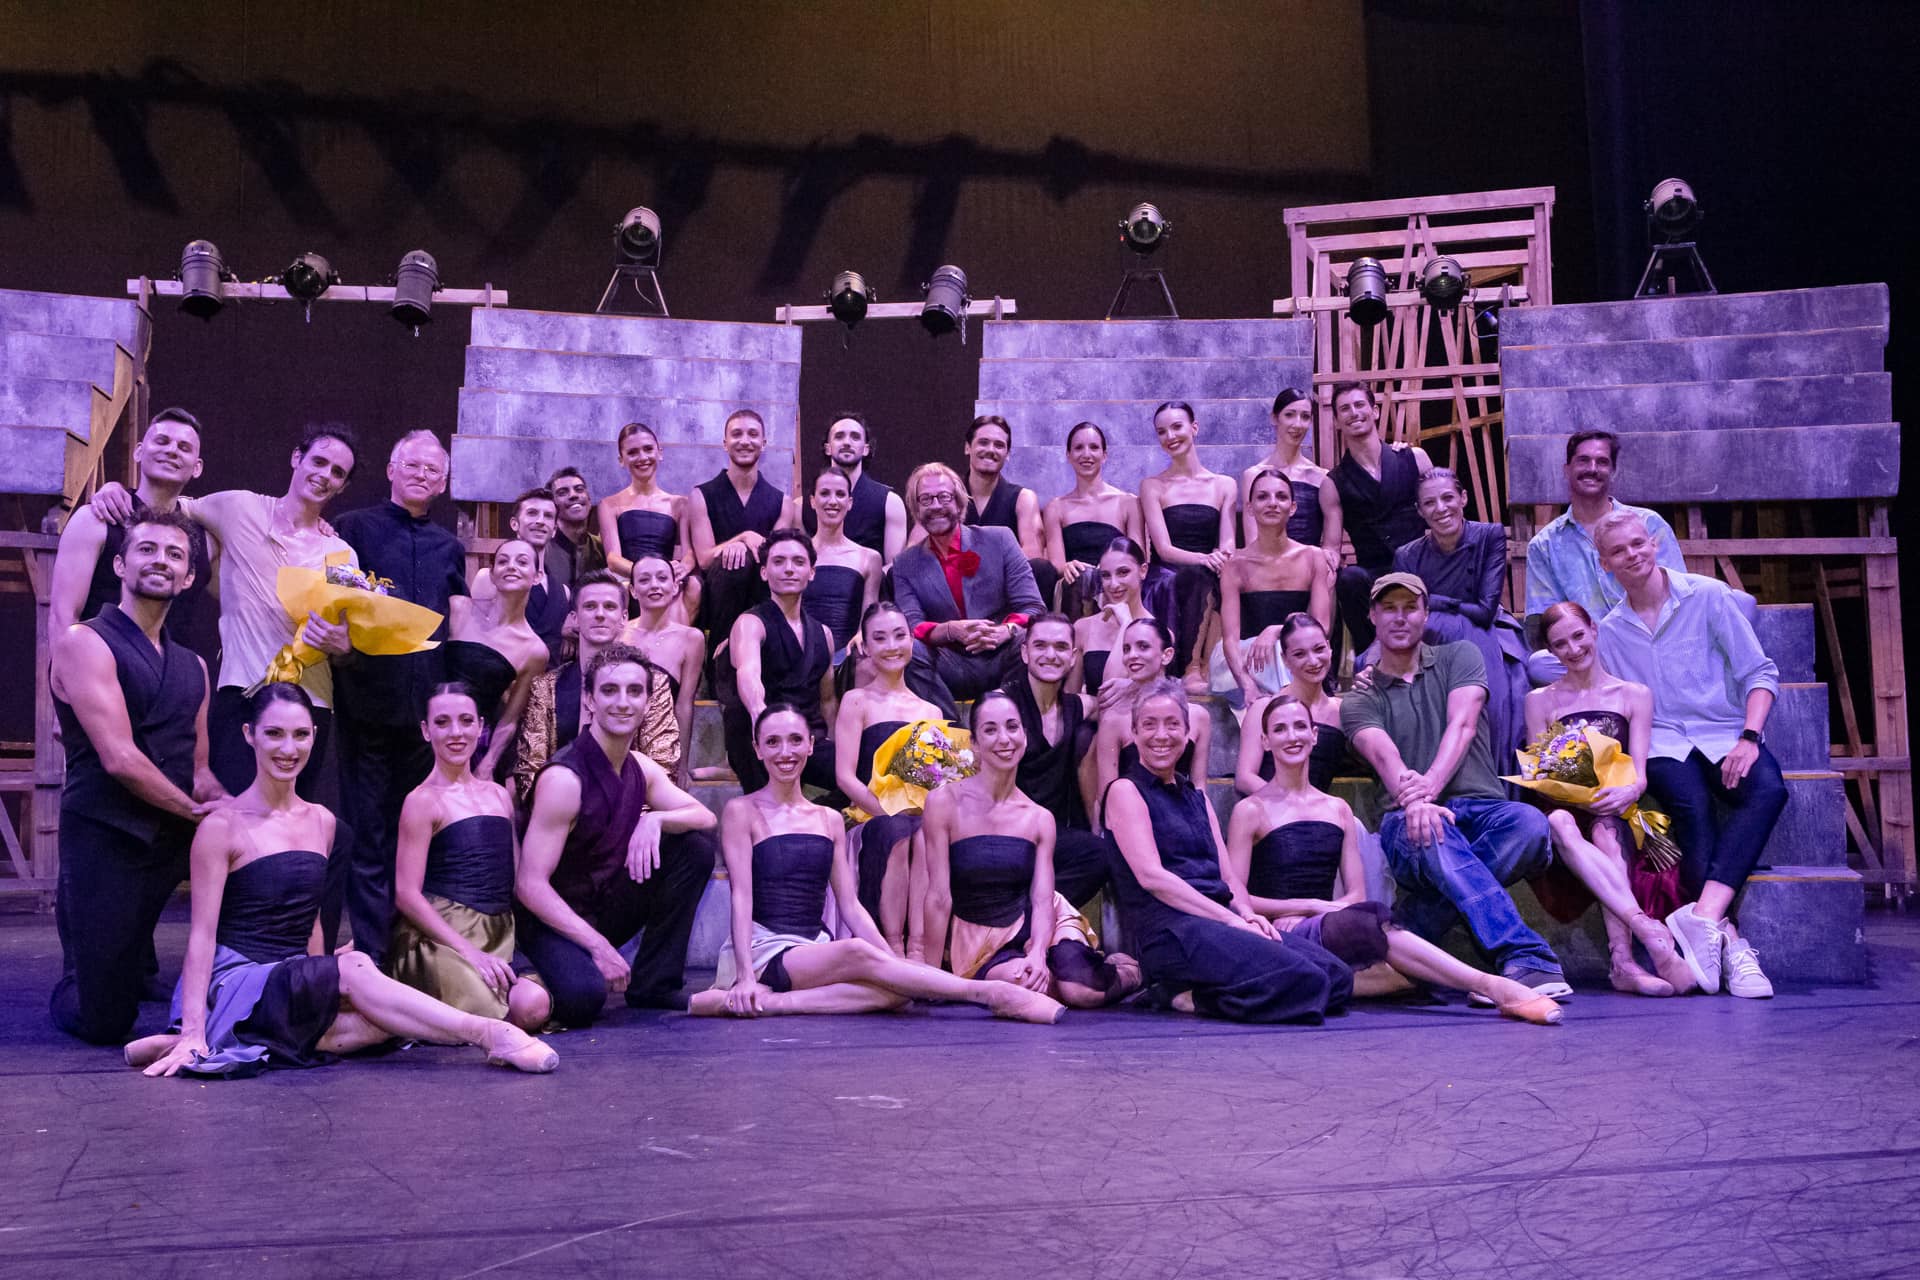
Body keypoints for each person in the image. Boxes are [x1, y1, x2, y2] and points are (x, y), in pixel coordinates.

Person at [125, 684, 558, 1077]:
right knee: (357, 967)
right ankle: (490, 1035)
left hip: (289, 975)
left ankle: (234, 1036)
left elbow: (310, 919)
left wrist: (323, 975)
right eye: (274, 734)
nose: (288, 748)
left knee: (379, 1024)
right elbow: (201, 938)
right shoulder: (221, 827)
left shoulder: (323, 822)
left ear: (314, 735)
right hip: (237, 980)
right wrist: (192, 1031)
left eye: (300, 735)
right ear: (248, 735)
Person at [691, 705, 1064, 1023]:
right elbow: (741, 898)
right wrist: (743, 975)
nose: (784, 752)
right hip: (764, 949)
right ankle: (988, 995)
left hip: (813, 949)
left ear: (809, 746)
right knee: (859, 954)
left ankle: (771, 1004)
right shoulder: (743, 812)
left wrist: (893, 965)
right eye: (772, 742)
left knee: (897, 992)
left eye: (794, 740)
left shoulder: (829, 819)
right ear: (756, 749)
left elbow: (851, 906)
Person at [1224, 696, 1561, 1024]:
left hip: (1326, 926)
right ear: (1265, 741)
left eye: (1300, 726)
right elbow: (1238, 898)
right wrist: (1306, 906)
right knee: (1374, 931)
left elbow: (1355, 896)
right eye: (1280, 729)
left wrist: (1315, 909)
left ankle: (1320, 980)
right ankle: (1494, 985)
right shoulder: (1250, 810)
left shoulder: (1337, 809)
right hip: (1279, 930)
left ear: (1314, 735)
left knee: (1410, 969)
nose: (1292, 736)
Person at [88, 423, 360, 799]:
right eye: (319, 461)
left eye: (337, 472)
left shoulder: (343, 555)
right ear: (297, 458)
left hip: (309, 702)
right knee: (231, 814)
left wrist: (342, 644)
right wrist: (113, 489)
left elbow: (349, 640)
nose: (324, 475)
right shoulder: (239, 507)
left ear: (343, 486)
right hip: (241, 692)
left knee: (293, 820)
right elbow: (162, 504)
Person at [1342, 572, 1570, 999]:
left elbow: (1462, 726)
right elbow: (1384, 756)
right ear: (1372, 616)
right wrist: (1417, 802)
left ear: (1426, 614)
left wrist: (1426, 788)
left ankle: (1411, 931)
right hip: (1404, 821)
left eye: (1410, 607)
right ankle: (1526, 957)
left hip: (1482, 810)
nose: (1400, 617)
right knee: (1432, 829)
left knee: (1530, 825)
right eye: (1388, 608)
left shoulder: (1460, 656)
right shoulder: (1360, 697)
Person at [49, 510, 223, 1044]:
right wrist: (197, 815)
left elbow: (200, 771)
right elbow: (119, 758)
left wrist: (241, 810)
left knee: (306, 843)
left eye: (175, 555)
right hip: (109, 836)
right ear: (121, 563)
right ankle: (78, 973)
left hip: (170, 836)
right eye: (147, 550)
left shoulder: (192, 665)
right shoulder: (85, 641)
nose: (161, 562)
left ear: (189, 577)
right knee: (106, 1021)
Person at [1596, 510, 1784, 999]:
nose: (1632, 555)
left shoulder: (1709, 596)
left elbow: (1759, 674)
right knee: (1693, 810)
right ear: (1605, 565)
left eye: (1639, 544)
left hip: (1724, 730)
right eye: (1619, 551)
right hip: (1661, 742)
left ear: (1655, 543)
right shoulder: (1611, 630)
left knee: (1768, 789)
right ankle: (1733, 943)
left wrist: (1749, 737)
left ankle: (1703, 917)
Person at [1103, 679, 1354, 1023]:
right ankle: (1183, 997)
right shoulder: (1125, 791)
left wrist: (1247, 913)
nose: (1162, 734)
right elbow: (1153, 878)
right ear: (1134, 733)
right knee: (1307, 982)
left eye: (1172, 724)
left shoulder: (1196, 796)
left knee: (1337, 977)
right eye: (1150, 724)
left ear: (1187, 732)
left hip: (1221, 920)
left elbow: (1227, 875)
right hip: (1173, 931)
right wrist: (1230, 919)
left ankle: (1198, 989)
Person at [515, 644, 719, 1023]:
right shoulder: (563, 779)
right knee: (583, 998)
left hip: (604, 905)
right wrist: (599, 947)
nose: (622, 702)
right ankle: (527, 975)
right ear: (590, 700)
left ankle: (654, 985)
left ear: (647, 702)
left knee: (694, 847)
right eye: (609, 691)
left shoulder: (640, 766)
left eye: (634, 691)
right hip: (551, 919)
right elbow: (529, 886)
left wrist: (655, 820)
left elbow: (705, 816)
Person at [333, 430, 469, 967]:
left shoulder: (449, 546)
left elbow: (456, 622)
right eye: (412, 465)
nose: (422, 475)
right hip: (366, 705)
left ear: (444, 482)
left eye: (433, 470)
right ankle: (372, 957)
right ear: (391, 468)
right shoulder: (351, 529)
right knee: (368, 838)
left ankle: (415, 957)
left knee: (419, 842)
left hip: (427, 720)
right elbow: (334, 599)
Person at [920, 691, 1141, 1008]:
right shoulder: (943, 803)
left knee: (1082, 992)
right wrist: (930, 977)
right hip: (981, 936)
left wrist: (1038, 952)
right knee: (1026, 983)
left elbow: (1041, 899)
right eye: (991, 730)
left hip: (1041, 925)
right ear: (974, 743)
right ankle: (1067, 974)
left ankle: (1128, 973)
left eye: (1012, 727)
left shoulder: (1039, 818)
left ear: (1024, 735)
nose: (1004, 739)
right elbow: (939, 898)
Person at [1523, 602, 1696, 996]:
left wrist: (1625, 792)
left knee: (1605, 830)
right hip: (1563, 804)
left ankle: (1623, 961)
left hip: (1616, 805)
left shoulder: (1634, 694)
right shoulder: (1540, 700)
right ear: (1552, 651)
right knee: (1558, 822)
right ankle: (1646, 932)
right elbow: (1539, 775)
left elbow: (1638, 772)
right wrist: (1579, 798)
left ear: (1594, 630)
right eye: (1560, 644)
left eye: (1578, 636)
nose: (1574, 648)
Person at [388, 683, 552, 1029]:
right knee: (498, 1019)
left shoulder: (498, 796)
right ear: (426, 730)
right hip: (440, 937)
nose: (456, 732)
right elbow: (406, 894)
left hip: (499, 931)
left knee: (533, 1006)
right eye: (443, 722)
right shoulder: (421, 801)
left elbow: (516, 873)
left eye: (465, 721)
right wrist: (469, 951)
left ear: (480, 726)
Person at [833, 602, 948, 954]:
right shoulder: (856, 701)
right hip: (869, 816)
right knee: (897, 832)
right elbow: (844, 777)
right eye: (880, 638)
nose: (892, 646)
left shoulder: (931, 711)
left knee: (929, 836)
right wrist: (886, 810)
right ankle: (892, 945)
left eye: (899, 635)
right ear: (866, 647)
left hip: (917, 817)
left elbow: (935, 782)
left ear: (912, 641)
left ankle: (919, 947)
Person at [1392, 467, 1530, 758]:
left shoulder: (1489, 536)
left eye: (1447, 498)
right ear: (1420, 510)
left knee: (1503, 694)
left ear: (1463, 498)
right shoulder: (1407, 555)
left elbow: (1484, 610)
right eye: (1429, 503)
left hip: (1485, 629)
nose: (1440, 509)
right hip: (1427, 635)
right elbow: (1406, 614)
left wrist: (1432, 599)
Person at [515, 569, 681, 805]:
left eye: (610, 607)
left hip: (630, 815)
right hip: (561, 815)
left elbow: (663, 764)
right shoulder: (546, 687)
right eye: (590, 606)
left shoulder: (652, 683)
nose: (600, 615)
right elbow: (529, 769)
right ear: (574, 617)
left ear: (624, 617)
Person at [51, 407, 212, 645]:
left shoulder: (205, 538)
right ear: (139, 451)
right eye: (162, 441)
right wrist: (67, 677)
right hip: (98, 669)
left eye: (183, 447)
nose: (171, 451)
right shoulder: (95, 520)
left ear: (197, 467)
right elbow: (62, 617)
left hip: (172, 676)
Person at [894, 461, 1043, 718]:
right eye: (926, 500)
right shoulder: (905, 563)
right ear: (916, 510)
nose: (936, 506)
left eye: (943, 497)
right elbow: (912, 625)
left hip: (1001, 652)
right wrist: (951, 630)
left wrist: (1004, 631)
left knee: (1028, 640)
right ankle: (951, 737)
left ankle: (1010, 723)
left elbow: (1034, 607)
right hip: (950, 661)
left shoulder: (1000, 539)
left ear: (960, 503)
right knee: (909, 650)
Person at [1523, 429, 1685, 654]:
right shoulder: (1544, 545)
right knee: (1541, 664)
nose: (1592, 469)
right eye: (1583, 461)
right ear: (1566, 470)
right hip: (1587, 654)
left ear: (1613, 471)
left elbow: (1679, 592)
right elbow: (1548, 619)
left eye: (1602, 462)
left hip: (1652, 640)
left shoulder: (1647, 523)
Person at [1004, 614, 1114, 910]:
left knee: (1100, 855)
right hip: (1006, 832)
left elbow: (1116, 707)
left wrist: (1128, 688)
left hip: (1052, 835)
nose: (1050, 655)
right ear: (1025, 652)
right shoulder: (1001, 705)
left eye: (1060, 647)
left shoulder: (1077, 706)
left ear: (1073, 656)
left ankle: (1029, 916)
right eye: (1040, 645)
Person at [719, 529, 838, 794]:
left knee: (859, 771)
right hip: (763, 738)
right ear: (764, 572)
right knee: (743, 727)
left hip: (809, 740)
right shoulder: (750, 623)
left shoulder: (824, 634)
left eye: (798, 562)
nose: (788, 569)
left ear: (812, 572)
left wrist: (833, 743)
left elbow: (828, 700)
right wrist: (761, 718)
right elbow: (748, 674)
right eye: (778, 561)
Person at [1139, 401, 1238, 691]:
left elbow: (1228, 540)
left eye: (1177, 427)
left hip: (1208, 568)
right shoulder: (1152, 486)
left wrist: (1222, 556)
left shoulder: (1224, 485)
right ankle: (1190, 666)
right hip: (1167, 573)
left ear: (1194, 428)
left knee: (1227, 574)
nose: (1170, 436)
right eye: (1162, 431)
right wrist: (1204, 559)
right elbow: (1163, 547)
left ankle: (1213, 664)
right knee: (1200, 575)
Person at [1329, 382, 1433, 654]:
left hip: (1420, 565)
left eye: (1359, 405)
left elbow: (1439, 515)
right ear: (1337, 421)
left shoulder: (1415, 458)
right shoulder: (1334, 482)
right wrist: (1324, 562)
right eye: (1344, 409)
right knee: (1349, 579)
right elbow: (1331, 545)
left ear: (1374, 411)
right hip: (1374, 574)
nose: (1354, 413)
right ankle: (1373, 656)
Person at [1219, 469, 1333, 702]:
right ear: (1249, 508)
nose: (1272, 503)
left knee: (1287, 651)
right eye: (1263, 497)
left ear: (1292, 507)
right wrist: (1247, 686)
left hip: (1298, 654)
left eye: (1281, 497)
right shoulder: (1235, 565)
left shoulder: (1313, 557)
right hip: (1248, 661)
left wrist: (1277, 630)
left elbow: (1322, 627)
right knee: (1273, 656)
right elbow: (1230, 639)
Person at [441, 539, 549, 782]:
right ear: (492, 573)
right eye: (503, 561)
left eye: (522, 562)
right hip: (427, 733)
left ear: (536, 575)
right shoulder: (458, 608)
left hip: (471, 744)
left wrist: (488, 765)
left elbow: (509, 720)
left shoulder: (534, 650)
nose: (511, 567)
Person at [688, 408, 788, 665]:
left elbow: (778, 560)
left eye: (753, 434)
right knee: (735, 560)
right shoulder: (701, 495)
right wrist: (741, 539)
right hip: (718, 597)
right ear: (725, 443)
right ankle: (719, 663)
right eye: (737, 434)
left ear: (763, 443)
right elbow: (705, 559)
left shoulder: (782, 502)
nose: (745, 441)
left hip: (762, 591)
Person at [1092, 616, 1213, 816]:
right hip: (1131, 821)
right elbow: (1104, 797)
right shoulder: (1114, 720)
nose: (1132, 656)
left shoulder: (1198, 717)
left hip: (1183, 819)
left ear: (1166, 655)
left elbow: (1199, 789)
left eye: (1143, 647)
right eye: (1126, 649)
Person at [1042, 422, 1151, 620]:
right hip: (1074, 586)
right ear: (1068, 455)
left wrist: (1111, 571)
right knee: (1083, 578)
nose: (1086, 454)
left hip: (1117, 583)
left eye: (1094, 447)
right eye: (1078, 448)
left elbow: (1138, 556)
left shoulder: (1128, 502)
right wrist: (1067, 566)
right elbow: (1056, 563)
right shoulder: (1055, 507)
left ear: (1104, 454)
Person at [1236, 614, 1350, 796]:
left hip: (1319, 814)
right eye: (1299, 654)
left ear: (1329, 649)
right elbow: (1245, 778)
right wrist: (1292, 805)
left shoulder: (1343, 710)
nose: (1313, 661)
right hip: (1267, 809)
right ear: (1285, 659)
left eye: (1319, 649)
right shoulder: (1263, 708)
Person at [599, 422, 699, 626]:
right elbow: (613, 559)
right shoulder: (609, 504)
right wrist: (644, 574)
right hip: (627, 574)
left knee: (693, 586)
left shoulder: (680, 504)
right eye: (633, 452)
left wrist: (680, 569)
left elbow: (689, 553)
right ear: (622, 459)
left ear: (659, 452)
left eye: (648, 449)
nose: (642, 457)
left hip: (666, 575)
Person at [620, 556, 704, 786]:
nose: (654, 585)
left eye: (662, 578)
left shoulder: (691, 639)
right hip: (618, 742)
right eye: (644, 580)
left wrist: (682, 764)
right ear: (633, 591)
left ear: (675, 586)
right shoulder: (618, 634)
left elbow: (684, 705)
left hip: (662, 746)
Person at [1238, 387, 1343, 572]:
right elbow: (1253, 540)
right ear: (1274, 418)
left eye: (1305, 417)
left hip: (1311, 570)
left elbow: (1331, 547)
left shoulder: (1323, 478)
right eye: (1289, 415)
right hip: (1265, 569)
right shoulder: (1253, 475)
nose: (1297, 424)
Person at [957, 413, 1055, 606]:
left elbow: (1032, 554)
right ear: (968, 447)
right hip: (955, 581)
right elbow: (915, 546)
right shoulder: (947, 494)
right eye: (983, 442)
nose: (991, 450)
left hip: (1004, 586)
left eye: (999, 445)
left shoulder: (1023, 498)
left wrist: (988, 572)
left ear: (1008, 454)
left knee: (1042, 569)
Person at [470, 488, 571, 666]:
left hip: (548, 689)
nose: (540, 521)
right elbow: (475, 639)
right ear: (515, 524)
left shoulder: (563, 592)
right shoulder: (488, 579)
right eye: (532, 513)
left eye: (548, 516)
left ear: (554, 530)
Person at [800, 412, 908, 564]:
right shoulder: (800, 505)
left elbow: (893, 569)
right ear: (827, 448)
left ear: (866, 449)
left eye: (855, 437)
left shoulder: (890, 503)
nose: (847, 443)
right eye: (839, 436)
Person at [803, 467, 883, 663]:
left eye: (840, 494)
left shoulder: (869, 558)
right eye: (824, 493)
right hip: (800, 656)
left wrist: (861, 639)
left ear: (850, 503)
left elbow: (869, 617)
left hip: (848, 659)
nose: (832, 501)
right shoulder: (797, 555)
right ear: (812, 501)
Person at [1069, 536, 1152, 703]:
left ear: (1143, 571)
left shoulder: (1159, 631)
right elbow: (1071, 698)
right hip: (1092, 724)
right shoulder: (1083, 627)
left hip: (1139, 724)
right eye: (1106, 576)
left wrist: (1126, 624)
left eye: (1123, 573)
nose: (1113, 584)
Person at [545, 465, 607, 593]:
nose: (573, 495)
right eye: (562, 493)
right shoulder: (542, 550)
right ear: (552, 505)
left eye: (579, 490)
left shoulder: (602, 548)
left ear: (589, 502)